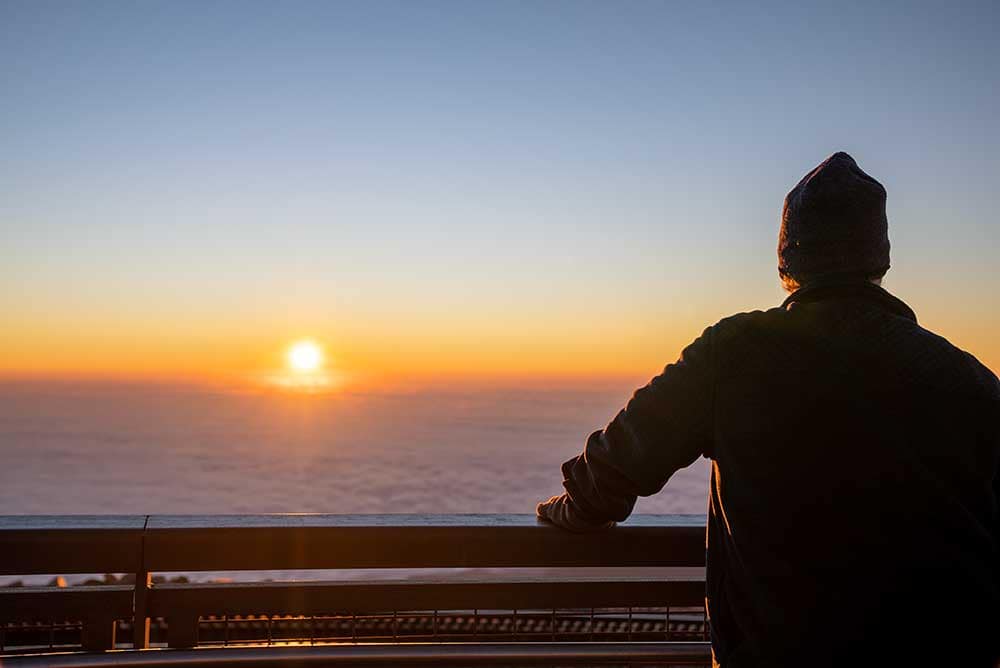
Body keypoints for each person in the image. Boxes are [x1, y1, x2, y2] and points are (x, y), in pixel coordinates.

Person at [536, 152, 1000, 667]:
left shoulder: (733, 353)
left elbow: (618, 465)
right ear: (881, 259)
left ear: (787, 262)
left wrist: (572, 510)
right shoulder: (967, 380)